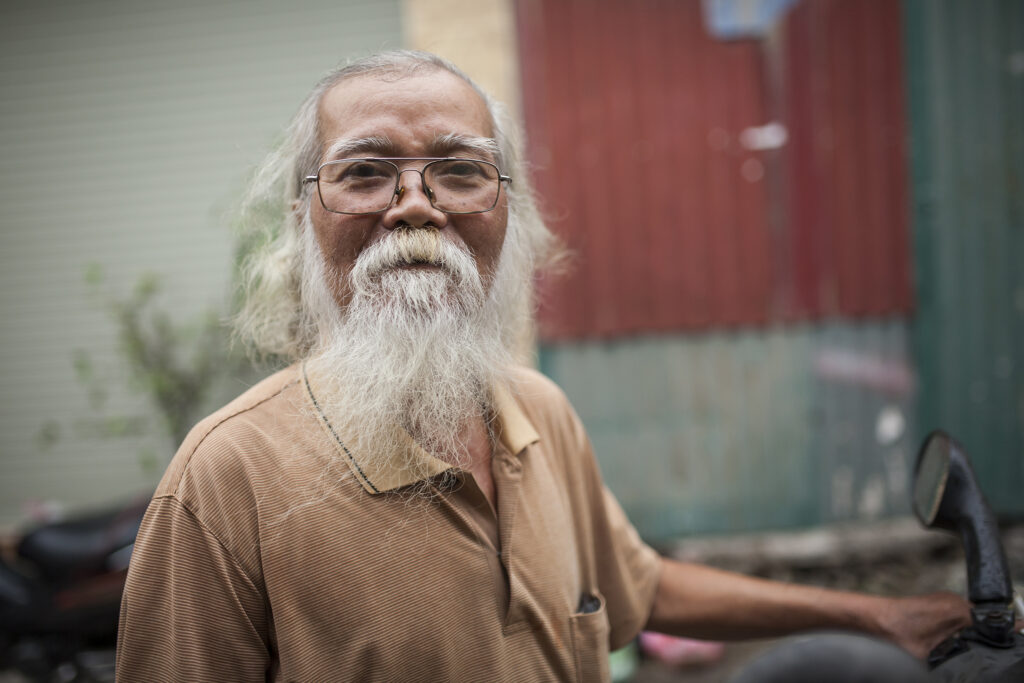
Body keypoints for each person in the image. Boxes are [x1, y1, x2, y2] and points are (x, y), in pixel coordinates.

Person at [115, 51, 969, 682]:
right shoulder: (226, 480)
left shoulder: (536, 411)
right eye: (366, 172)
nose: (415, 204)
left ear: (508, 214)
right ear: (306, 218)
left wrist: (880, 614)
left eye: (458, 171)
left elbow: (638, 588)